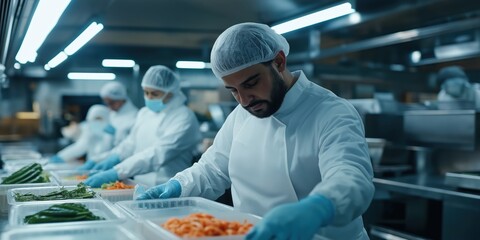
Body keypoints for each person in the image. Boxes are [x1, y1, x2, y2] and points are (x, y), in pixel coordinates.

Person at [136, 23, 374, 240]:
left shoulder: (331, 112)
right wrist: (178, 186)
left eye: (251, 84)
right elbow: (212, 169)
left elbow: (351, 178)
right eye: (233, 90)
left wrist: (320, 207)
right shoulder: (241, 115)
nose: (244, 100)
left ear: (279, 62)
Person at [82, 65, 202, 187]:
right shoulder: (145, 113)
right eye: (146, 92)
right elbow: (130, 144)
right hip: (138, 183)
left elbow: (158, 153)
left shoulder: (183, 116)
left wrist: (116, 172)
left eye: (155, 94)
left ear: (170, 93)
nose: (149, 98)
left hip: (168, 186)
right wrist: (103, 159)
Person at [49, 105, 113, 163]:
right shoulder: (89, 129)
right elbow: (80, 146)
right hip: (92, 163)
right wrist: (61, 156)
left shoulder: (113, 130)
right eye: (95, 119)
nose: (97, 122)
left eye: (100, 119)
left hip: (110, 164)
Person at [100, 81, 139, 146]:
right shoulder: (113, 113)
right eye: (106, 103)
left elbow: (131, 143)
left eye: (111, 103)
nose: (109, 107)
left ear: (120, 98)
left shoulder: (135, 116)